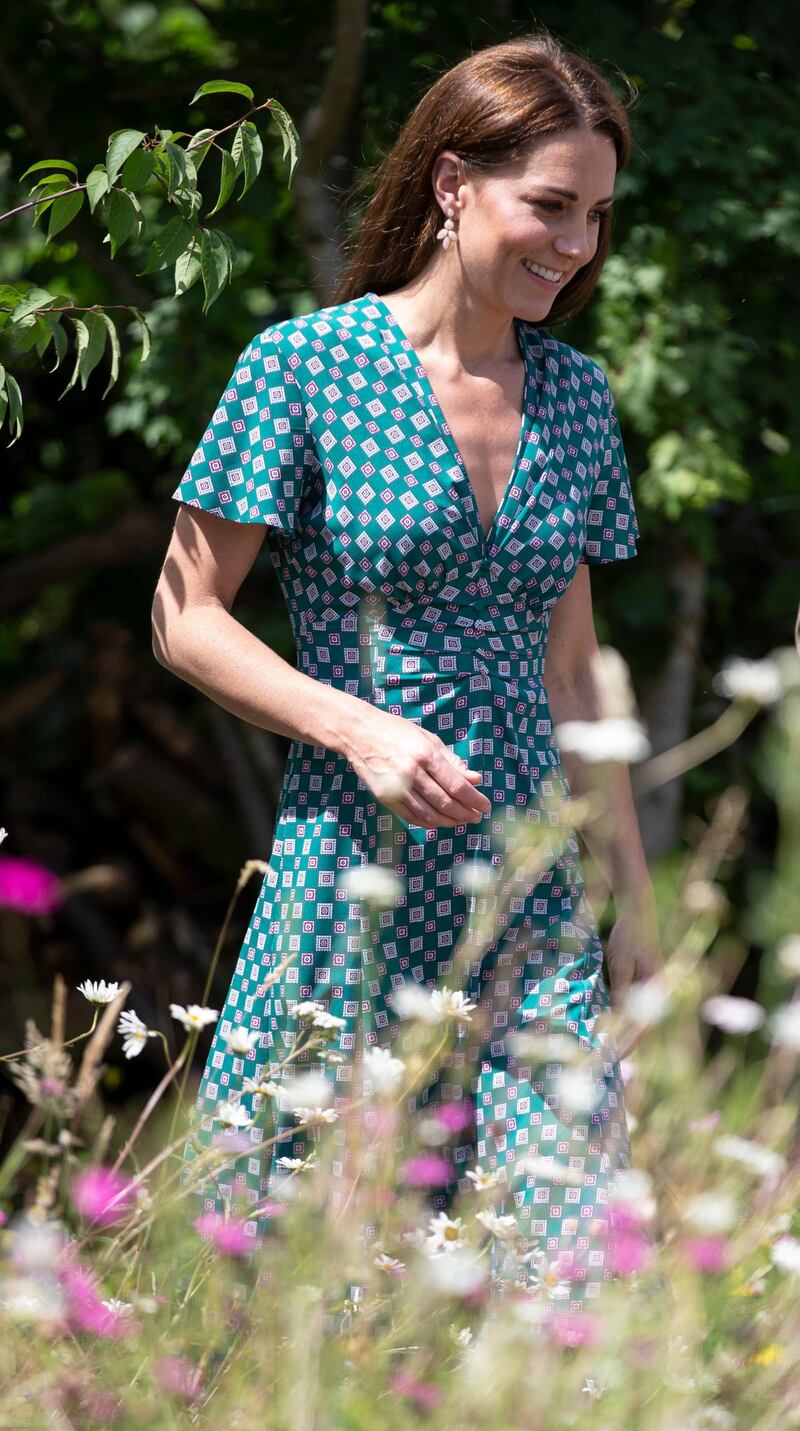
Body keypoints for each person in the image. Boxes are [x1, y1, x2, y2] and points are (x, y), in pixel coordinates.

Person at [152, 29, 663, 1310]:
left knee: (559, 1277)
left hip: (530, 908)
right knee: (295, 1277)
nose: (574, 244)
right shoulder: (302, 367)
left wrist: (642, 937)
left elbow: (574, 670)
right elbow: (186, 615)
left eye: (595, 215)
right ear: (451, 186)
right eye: (548, 205)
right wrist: (359, 731)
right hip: (349, 886)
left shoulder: (575, 396)